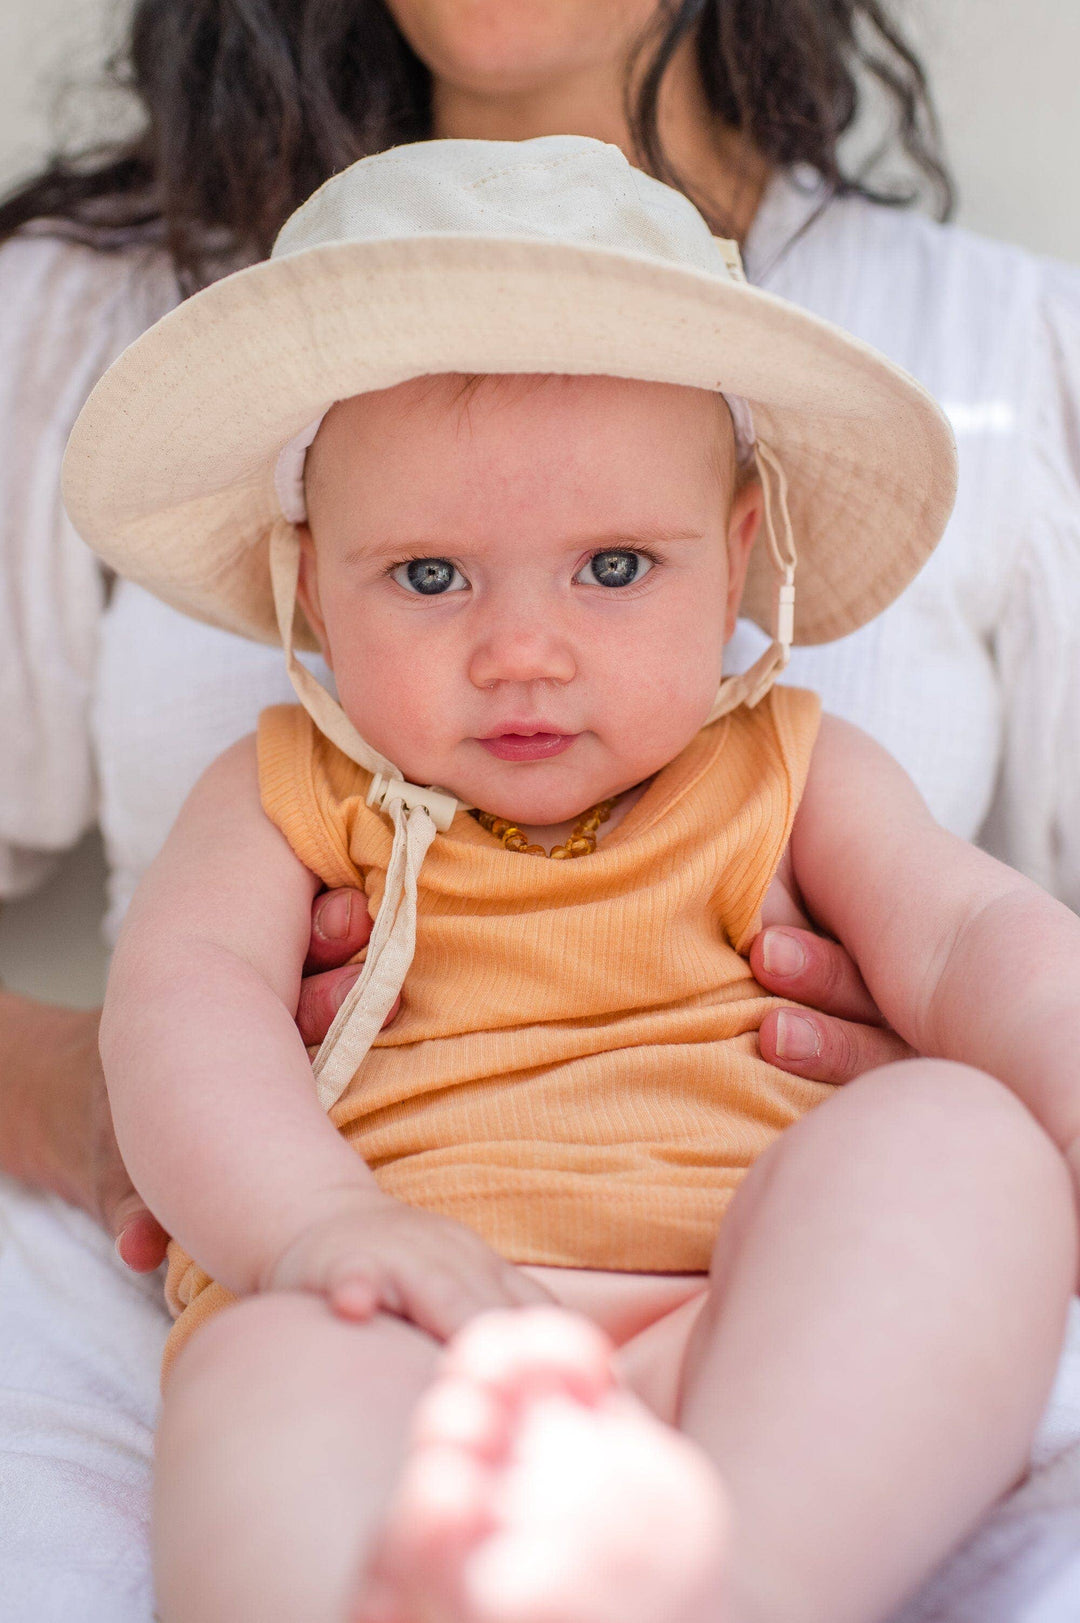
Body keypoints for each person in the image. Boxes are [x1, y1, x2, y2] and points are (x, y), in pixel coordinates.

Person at [1, 4, 1078, 1619]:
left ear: (738, 553)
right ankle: (369, 1590)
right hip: (392, 1311)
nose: (522, 650)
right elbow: (182, 1005)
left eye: (615, 568)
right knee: (268, 1380)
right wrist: (314, 1229)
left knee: (957, 1147)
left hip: (750, 1310)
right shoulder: (288, 793)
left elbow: (979, 934)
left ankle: (735, 1577)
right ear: (309, 586)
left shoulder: (793, 765)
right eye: (429, 576)